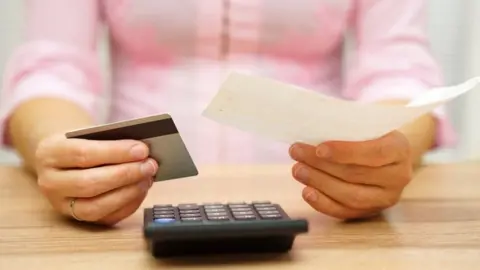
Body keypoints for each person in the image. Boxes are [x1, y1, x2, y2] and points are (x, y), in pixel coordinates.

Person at [0, 0, 455, 225]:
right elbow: (52, 66)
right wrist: (65, 157)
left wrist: (385, 154)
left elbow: (400, 69)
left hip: (324, 216)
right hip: (128, 214)